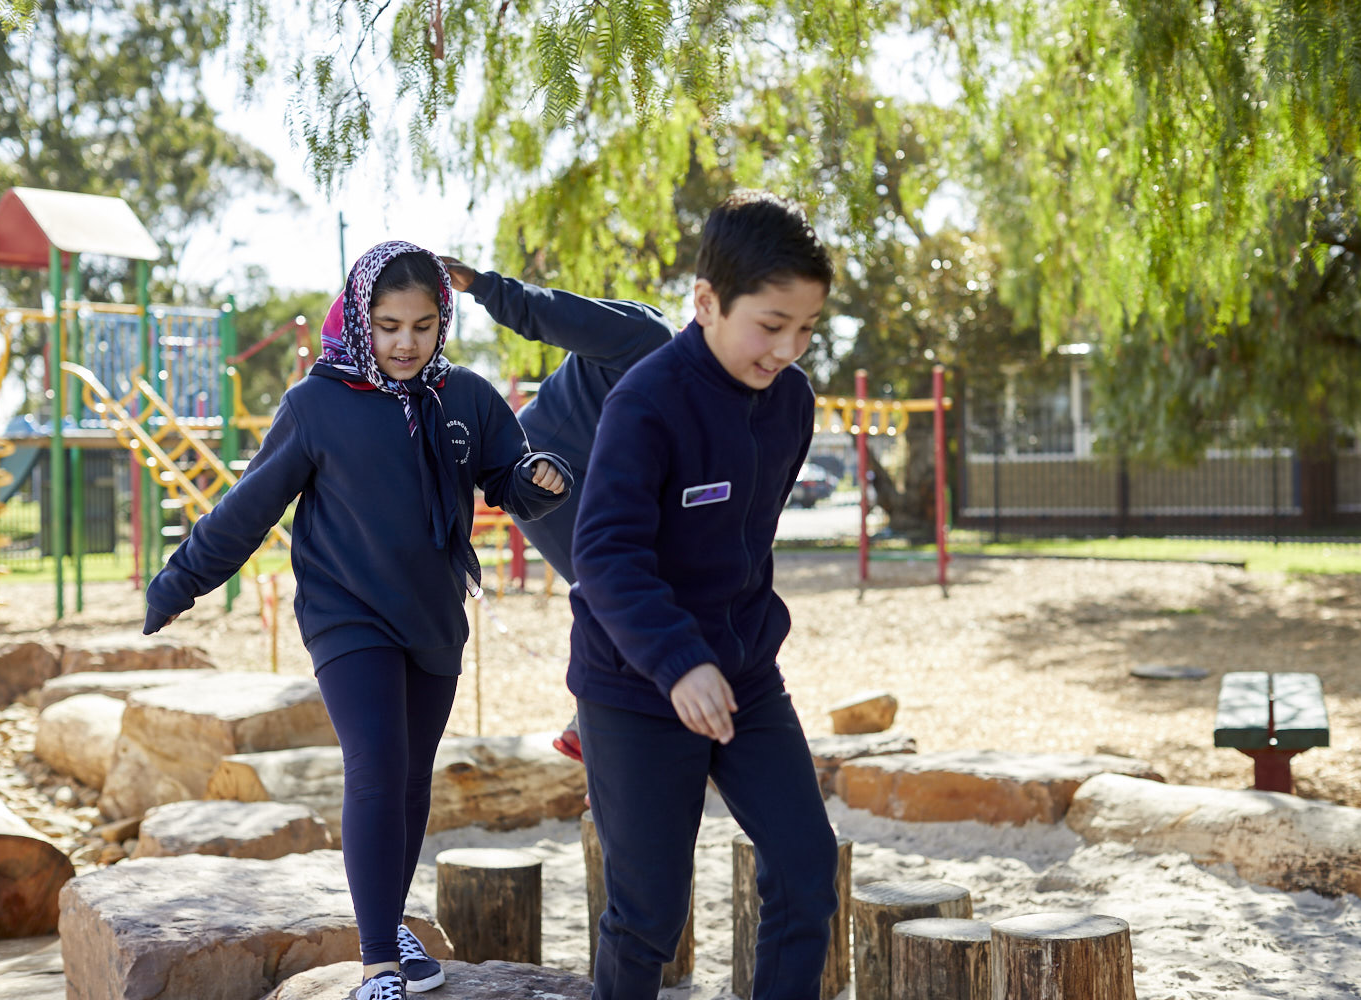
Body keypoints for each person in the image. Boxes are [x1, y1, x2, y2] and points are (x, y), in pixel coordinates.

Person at [141, 241, 571, 1000]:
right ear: (360, 320)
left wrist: (541, 479)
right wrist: (180, 582)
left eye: (423, 325)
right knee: (375, 767)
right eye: (388, 325)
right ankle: (378, 963)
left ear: (443, 323)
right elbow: (251, 508)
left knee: (410, 784)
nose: (406, 342)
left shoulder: (465, 397)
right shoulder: (317, 403)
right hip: (347, 617)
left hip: (433, 617)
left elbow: (509, 477)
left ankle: (388, 919)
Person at [569, 191, 839, 999]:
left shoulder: (790, 402)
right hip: (638, 686)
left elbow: (747, 544)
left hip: (745, 679)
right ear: (707, 302)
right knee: (648, 911)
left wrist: (730, 654)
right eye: (770, 324)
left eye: (807, 328)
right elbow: (605, 553)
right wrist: (680, 661)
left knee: (806, 868)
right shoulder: (647, 401)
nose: (788, 348)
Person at [442, 260, 675, 759]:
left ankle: (602, 729)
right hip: (541, 473)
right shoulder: (644, 335)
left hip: (597, 484)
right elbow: (550, 313)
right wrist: (481, 285)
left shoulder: (706, 401)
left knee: (651, 584)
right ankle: (600, 734)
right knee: (617, 589)